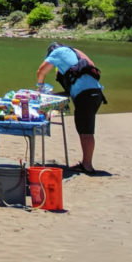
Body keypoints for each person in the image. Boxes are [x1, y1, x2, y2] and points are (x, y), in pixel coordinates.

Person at [36, 41, 107, 174]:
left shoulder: (57, 52)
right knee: (86, 129)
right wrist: (56, 94)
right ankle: (86, 163)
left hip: (86, 96)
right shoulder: (76, 53)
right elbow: (76, 85)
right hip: (95, 94)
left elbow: (41, 71)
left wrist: (39, 88)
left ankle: (87, 165)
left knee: (86, 131)